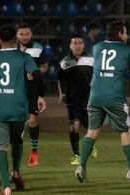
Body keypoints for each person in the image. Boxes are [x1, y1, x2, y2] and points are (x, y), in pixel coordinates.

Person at [75, 21, 130, 182]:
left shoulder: (97, 47)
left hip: (95, 96)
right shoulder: (128, 50)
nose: (127, 35)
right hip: (115, 97)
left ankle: (81, 166)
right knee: (125, 131)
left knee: (92, 132)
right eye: (125, 32)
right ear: (120, 34)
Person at [0, 24, 46, 195]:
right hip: (19, 108)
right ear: (15, 39)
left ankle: (6, 187)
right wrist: (40, 96)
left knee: (0, 147)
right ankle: (16, 172)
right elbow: (38, 75)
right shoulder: (24, 57)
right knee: (17, 140)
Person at [57, 34, 98, 165]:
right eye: (75, 43)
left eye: (80, 43)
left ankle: (90, 145)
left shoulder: (92, 59)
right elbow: (60, 79)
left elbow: (98, 77)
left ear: (83, 45)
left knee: (89, 127)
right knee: (75, 127)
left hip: (89, 99)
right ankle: (76, 155)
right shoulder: (65, 62)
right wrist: (61, 94)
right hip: (72, 100)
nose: (78, 46)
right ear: (70, 45)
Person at [16, 23, 48, 167]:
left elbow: (45, 66)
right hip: (16, 89)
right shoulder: (12, 48)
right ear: (17, 35)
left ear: (31, 34)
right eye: (21, 34)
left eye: (27, 34)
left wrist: (36, 74)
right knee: (17, 121)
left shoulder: (38, 48)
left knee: (33, 120)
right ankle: (15, 150)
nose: (24, 37)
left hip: (33, 89)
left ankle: (34, 152)